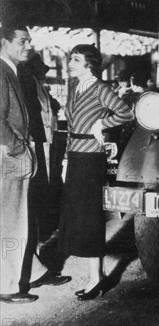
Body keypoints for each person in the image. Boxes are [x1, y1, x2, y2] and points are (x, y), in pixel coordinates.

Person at [59, 44, 134, 300]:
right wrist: (66, 160)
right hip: (77, 156)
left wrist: (101, 123)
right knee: (79, 214)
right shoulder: (76, 88)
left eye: (76, 60)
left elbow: (126, 112)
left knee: (90, 216)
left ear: (89, 64)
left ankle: (96, 278)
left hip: (92, 157)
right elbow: (72, 125)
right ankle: (97, 274)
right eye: (71, 58)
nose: (70, 63)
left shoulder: (100, 89)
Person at [17, 52, 71, 295]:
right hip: (31, 149)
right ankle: (29, 271)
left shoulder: (35, 83)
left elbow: (52, 107)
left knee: (35, 210)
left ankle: (32, 267)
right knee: (28, 211)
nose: (44, 70)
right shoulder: (23, 81)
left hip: (42, 148)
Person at [0, 23, 45, 303]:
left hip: (12, 153)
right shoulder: (1, 72)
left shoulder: (12, 71)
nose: (28, 46)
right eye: (22, 41)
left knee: (14, 219)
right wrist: (18, 148)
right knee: (11, 222)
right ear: (4, 42)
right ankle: (6, 286)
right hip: (9, 155)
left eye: (29, 41)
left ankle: (30, 272)